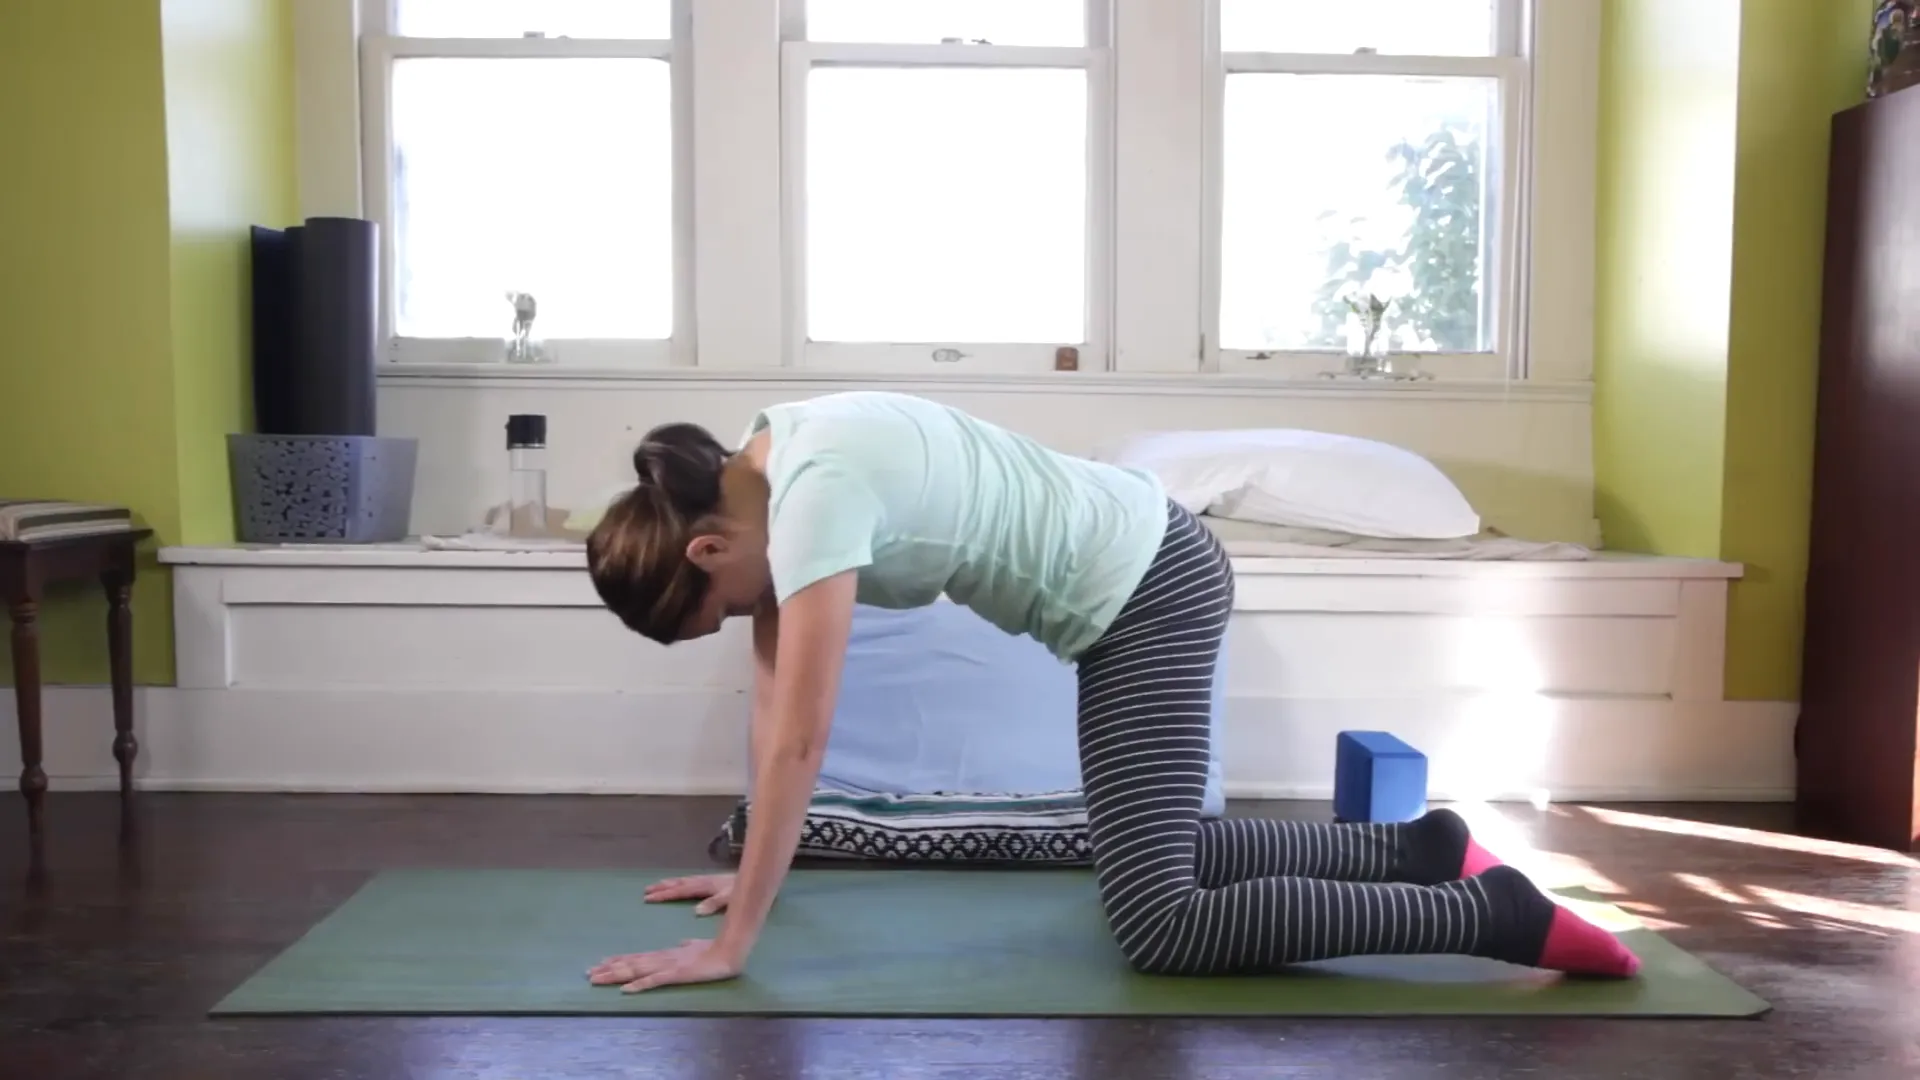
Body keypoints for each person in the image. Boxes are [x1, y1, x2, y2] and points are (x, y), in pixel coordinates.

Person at [581, 391, 1640, 993]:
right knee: (1152, 848)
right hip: (1143, 574)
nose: (738, 621)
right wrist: (759, 862)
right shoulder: (770, 459)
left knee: (1159, 921)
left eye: (713, 607)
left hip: (1148, 591)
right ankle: (1421, 849)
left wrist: (734, 946)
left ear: (711, 545)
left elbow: (801, 742)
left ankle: (1489, 912)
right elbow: (776, 707)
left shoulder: (811, 505)